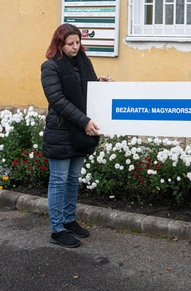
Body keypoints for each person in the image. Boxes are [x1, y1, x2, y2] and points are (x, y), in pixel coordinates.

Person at [40, 23, 113, 248]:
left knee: (72, 179)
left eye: (78, 42)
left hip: (80, 132)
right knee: (59, 180)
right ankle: (57, 229)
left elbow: (84, 90)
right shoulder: (50, 67)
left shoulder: (83, 62)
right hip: (62, 131)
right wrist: (84, 122)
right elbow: (58, 100)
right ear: (59, 44)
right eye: (70, 43)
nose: (75, 47)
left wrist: (99, 85)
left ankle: (69, 220)